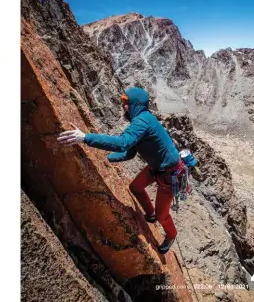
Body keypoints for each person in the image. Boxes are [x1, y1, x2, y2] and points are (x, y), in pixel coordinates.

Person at [58, 86, 182, 255]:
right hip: (157, 167)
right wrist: (107, 159)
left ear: (135, 104)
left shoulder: (141, 122)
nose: (122, 106)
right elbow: (130, 153)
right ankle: (150, 214)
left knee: (163, 216)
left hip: (169, 174)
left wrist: (85, 138)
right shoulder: (141, 119)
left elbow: (122, 143)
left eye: (125, 103)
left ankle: (171, 234)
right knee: (135, 187)